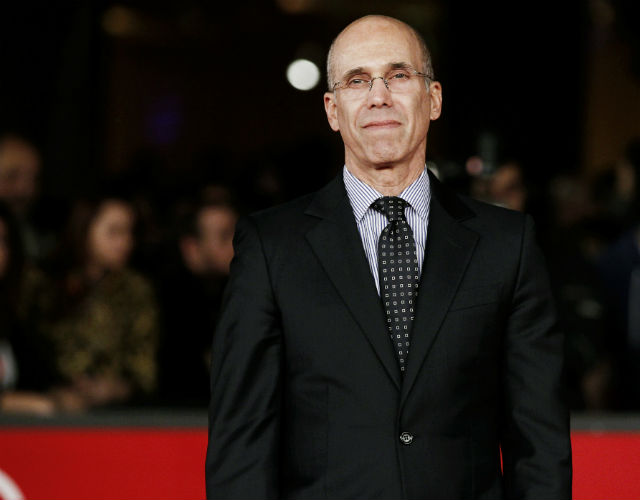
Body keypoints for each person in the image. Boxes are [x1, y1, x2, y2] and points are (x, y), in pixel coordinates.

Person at [206, 15, 571, 499]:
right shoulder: (271, 247)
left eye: (398, 75)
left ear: (433, 98)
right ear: (332, 110)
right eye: (357, 80)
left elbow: (539, 444)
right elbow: (241, 448)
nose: (379, 96)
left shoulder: (508, 244)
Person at [35, 195, 159, 411]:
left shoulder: (135, 290)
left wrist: (116, 388)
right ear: (84, 230)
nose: (125, 242)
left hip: (117, 412)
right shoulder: (45, 284)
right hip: (48, 407)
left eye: (129, 232)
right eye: (114, 232)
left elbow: (144, 367)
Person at [157, 192, 238, 406]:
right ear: (191, 248)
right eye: (224, 236)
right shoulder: (168, 305)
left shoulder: (244, 292)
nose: (237, 243)